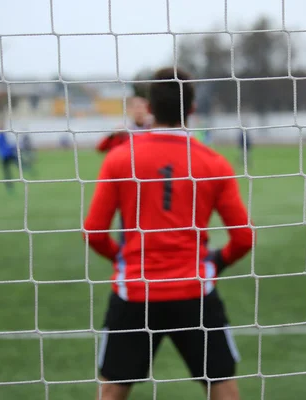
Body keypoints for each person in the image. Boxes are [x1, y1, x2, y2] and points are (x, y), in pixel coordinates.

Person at [83, 67, 254, 400]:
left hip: (135, 290)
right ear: (191, 110)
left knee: (113, 387)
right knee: (222, 385)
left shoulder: (120, 159)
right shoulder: (214, 163)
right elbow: (245, 238)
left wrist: (121, 257)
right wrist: (216, 263)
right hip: (194, 290)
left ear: (148, 108)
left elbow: (93, 232)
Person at [0, 119, 18, 193]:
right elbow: (1, 146)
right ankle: (9, 187)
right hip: (5, 155)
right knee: (7, 172)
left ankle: (27, 169)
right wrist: (12, 147)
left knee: (18, 164)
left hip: (8, 154)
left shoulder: (2, 135)